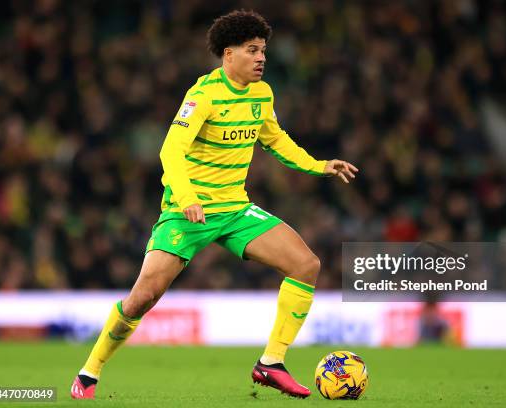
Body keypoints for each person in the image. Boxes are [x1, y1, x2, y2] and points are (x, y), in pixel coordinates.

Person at [70, 10, 358, 399]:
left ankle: (270, 363)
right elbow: (171, 150)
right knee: (143, 297)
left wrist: (320, 165)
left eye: (263, 51)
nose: (261, 58)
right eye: (252, 50)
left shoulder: (262, 94)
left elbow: (276, 140)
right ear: (228, 54)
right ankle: (90, 371)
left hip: (235, 210)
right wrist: (187, 198)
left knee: (306, 264)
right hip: (186, 212)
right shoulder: (203, 95)